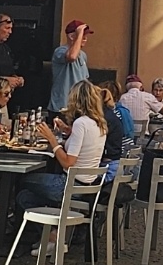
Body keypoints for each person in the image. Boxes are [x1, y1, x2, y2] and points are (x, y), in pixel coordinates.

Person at [15, 79, 109, 235]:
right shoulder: (99, 124)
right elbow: (84, 145)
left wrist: (51, 139)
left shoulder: (81, 123)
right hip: (86, 185)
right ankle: (52, 235)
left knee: (23, 180)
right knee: (24, 197)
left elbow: (68, 162)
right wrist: (67, 130)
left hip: (68, 185)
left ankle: (49, 234)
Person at [49, 20, 92, 114]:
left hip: (78, 107)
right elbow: (72, 57)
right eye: (82, 35)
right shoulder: (60, 51)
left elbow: (85, 80)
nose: (85, 38)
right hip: (62, 106)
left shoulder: (83, 55)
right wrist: (78, 35)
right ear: (71, 36)